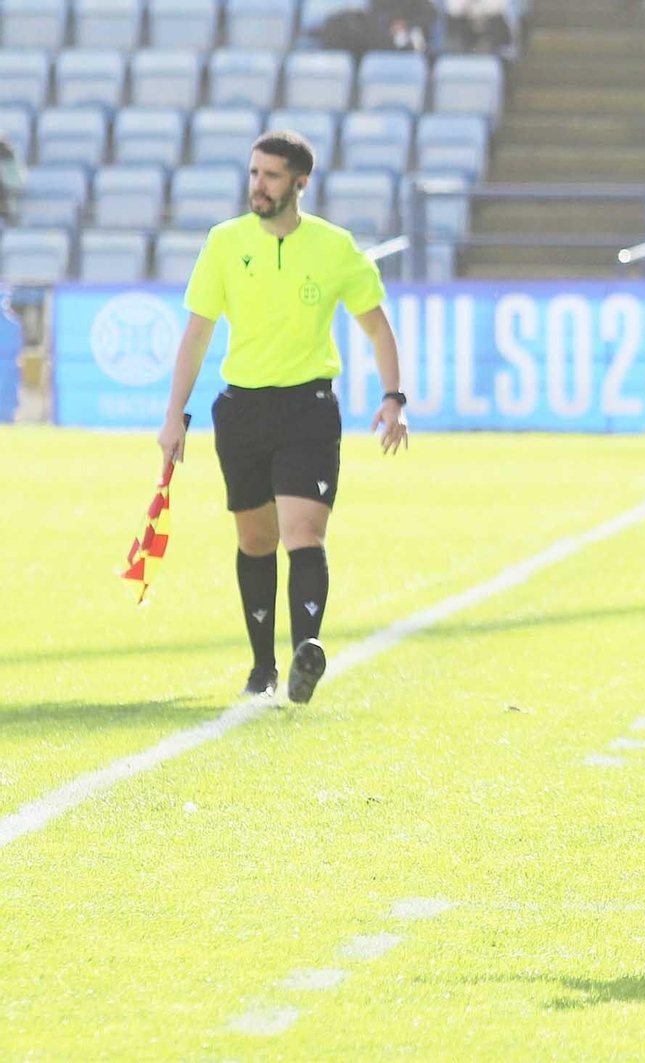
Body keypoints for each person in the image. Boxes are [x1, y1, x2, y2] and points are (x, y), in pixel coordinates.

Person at [156, 131, 410, 705]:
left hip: (308, 409)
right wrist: (174, 416)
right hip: (242, 409)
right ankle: (262, 665)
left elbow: (377, 326)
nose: (257, 186)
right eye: (253, 174)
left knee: (303, 532)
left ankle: (307, 652)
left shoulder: (335, 246)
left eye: (270, 176)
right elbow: (197, 333)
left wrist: (394, 396)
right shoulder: (224, 243)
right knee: (255, 538)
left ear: (300, 183)